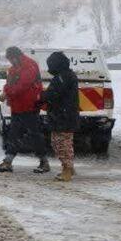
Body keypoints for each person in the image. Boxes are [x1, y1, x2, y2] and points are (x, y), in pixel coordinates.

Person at [0, 46, 51, 173]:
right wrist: (7, 91)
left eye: (11, 59)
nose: (10, 62)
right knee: (14, 134)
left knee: (34, 134)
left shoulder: (29, 65)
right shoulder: (14, 68)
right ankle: (8, 161)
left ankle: (44, 162)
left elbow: (22, 85)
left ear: (16, 56)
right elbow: (10, 83)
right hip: (18, 106)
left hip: (30, 106)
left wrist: (6, 92)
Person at [42, 51, 80, 182]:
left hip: (64, 116)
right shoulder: (65, 75)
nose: (49, 68)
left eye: (50, 65)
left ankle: (67, 170)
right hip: (63, 115)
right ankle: (68, 168)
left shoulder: (63, 77)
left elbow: (52, 94)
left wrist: (41, 96)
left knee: (62, 143)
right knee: (59, 142)